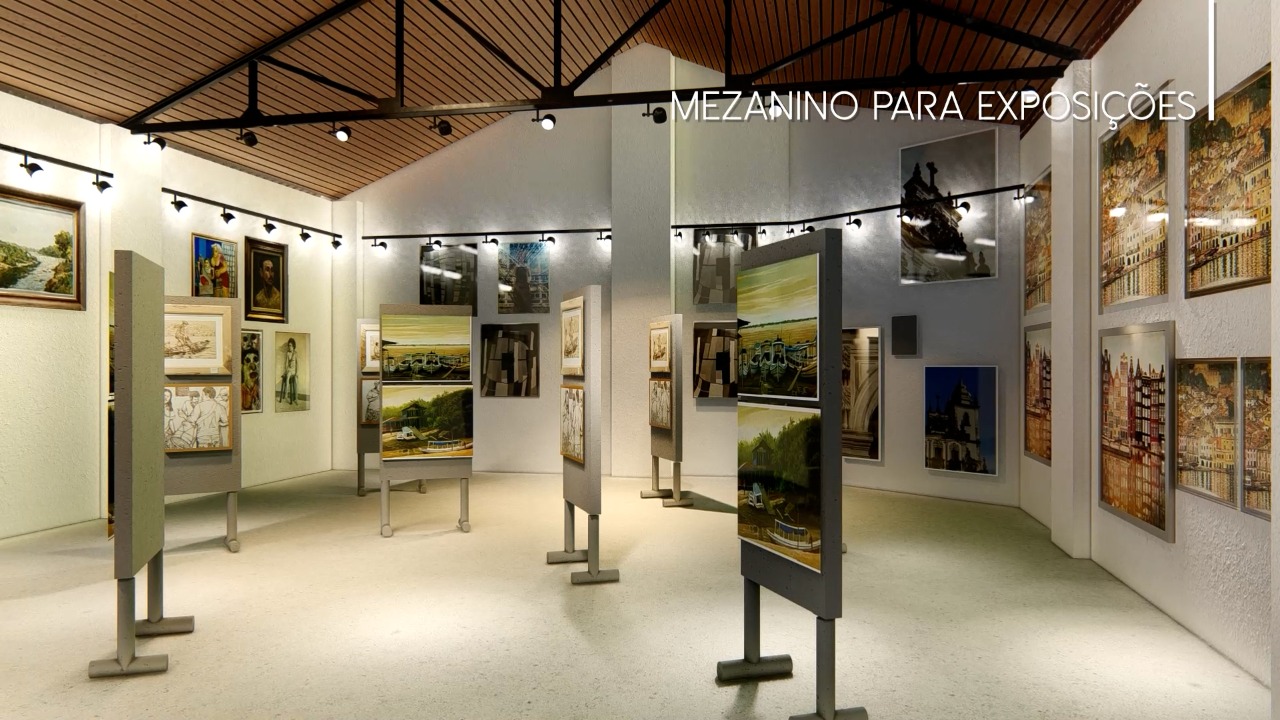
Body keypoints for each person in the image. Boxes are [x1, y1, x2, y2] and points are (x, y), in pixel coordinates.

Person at [280, 338, 299, 405]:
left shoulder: (296, 353)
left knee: (296, 381)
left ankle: (296, 398)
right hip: (289, 370)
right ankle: (286, 395)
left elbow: (297, 364)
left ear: (293, 346)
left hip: (294, 371)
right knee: (288, 376)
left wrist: (297, 373)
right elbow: (286, 363)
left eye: (290, 345)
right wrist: (286, 370)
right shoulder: (287, 353)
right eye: (289, 345)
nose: (289, 347)